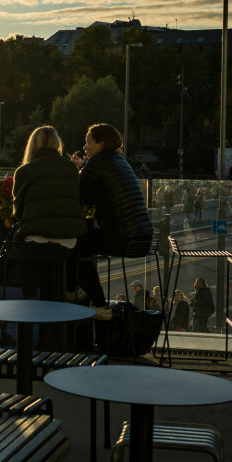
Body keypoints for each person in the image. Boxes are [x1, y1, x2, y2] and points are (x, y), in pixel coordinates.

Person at [0, 126, 87, 301]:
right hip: (69, 241)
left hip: (38, 239)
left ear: (32, 145)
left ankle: (18, 293)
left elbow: (18, 213)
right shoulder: (72, 169)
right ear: (57, 144)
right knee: (22, 238)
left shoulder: (25, 171)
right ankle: (70, 289)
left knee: (20, 243)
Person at [70, 124, 153, 319]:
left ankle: (91, 299)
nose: (85, 147)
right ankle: (80, 292)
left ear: (101, 144)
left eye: (88, 142)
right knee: (85, 241)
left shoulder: (97, 163)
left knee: (75, 242)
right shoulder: (118, 160)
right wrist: (82, 167)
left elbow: (77, 196)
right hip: (143, 237)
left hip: (122, 238)